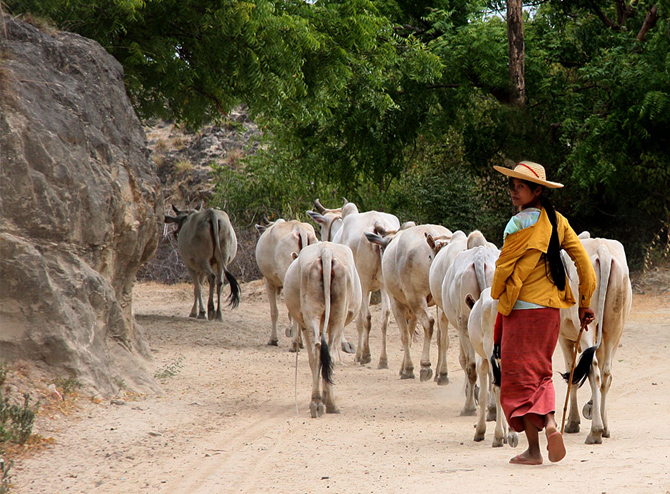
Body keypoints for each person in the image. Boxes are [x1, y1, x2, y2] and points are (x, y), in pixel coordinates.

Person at [490, 161, 597, 465]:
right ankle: (550, 423)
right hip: (550, 312)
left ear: (536, 191)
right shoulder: (559, 222)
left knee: (516, 379)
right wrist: (585, 302)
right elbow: (584, 267)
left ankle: (534, 451)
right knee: (541, 373)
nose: (513, 191)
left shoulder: (516, 225)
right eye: (512, 185)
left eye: (520, 186)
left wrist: (497, 292)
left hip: (522, 312)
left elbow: (504, 267)